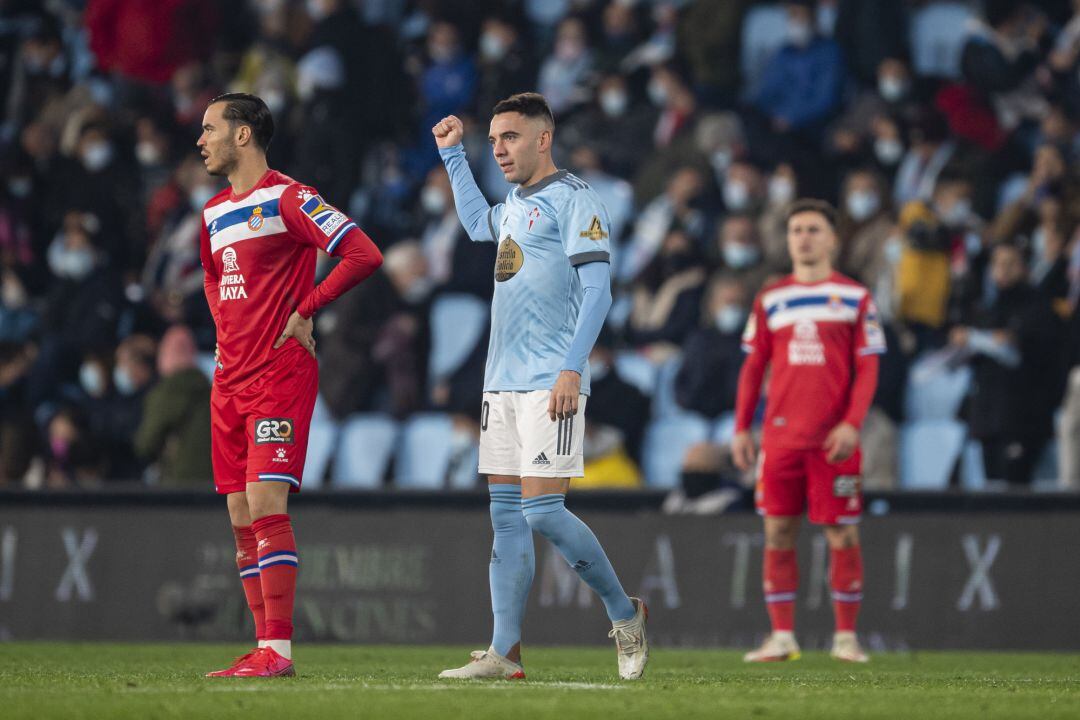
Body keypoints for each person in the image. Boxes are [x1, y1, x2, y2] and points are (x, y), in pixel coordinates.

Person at [432, 93, 648, 681]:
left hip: (552, 378)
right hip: (500, 382)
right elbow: (480, 225)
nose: (499, 148)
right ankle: (505, 653)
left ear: (543, 138)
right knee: (506, 517)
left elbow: (600, 290)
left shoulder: (576, 199)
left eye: (510, 137)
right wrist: (455, 155)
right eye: (495, 139)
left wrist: (572, 369)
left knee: (544, 511)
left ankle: (625, 615)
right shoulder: (514, 201)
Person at [197, 93, 383, 677]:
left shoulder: (290, 197)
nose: (200, 140)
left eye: (210, 128)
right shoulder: (211, 214)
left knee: (264, 503)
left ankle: (278, 650)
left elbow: (363, 253)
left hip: (280, 373)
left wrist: (308, 306)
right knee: (237, 516)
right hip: (228, 380)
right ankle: (261, 647)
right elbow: (210, 276)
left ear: (244, 134)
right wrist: (226, 334)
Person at [732, 199, 884, 664]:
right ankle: (782, 638)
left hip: (833, 440)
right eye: (797, 229)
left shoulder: (856, 297)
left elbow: (869, 366)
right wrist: (742, 427)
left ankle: (846, 639)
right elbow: (754, 367)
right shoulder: (770, 297)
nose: (804, 237)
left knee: (842, 535)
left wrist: (852, 424)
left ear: (833, 239)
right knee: (778, 532)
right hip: (779, 439)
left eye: (814, 229)